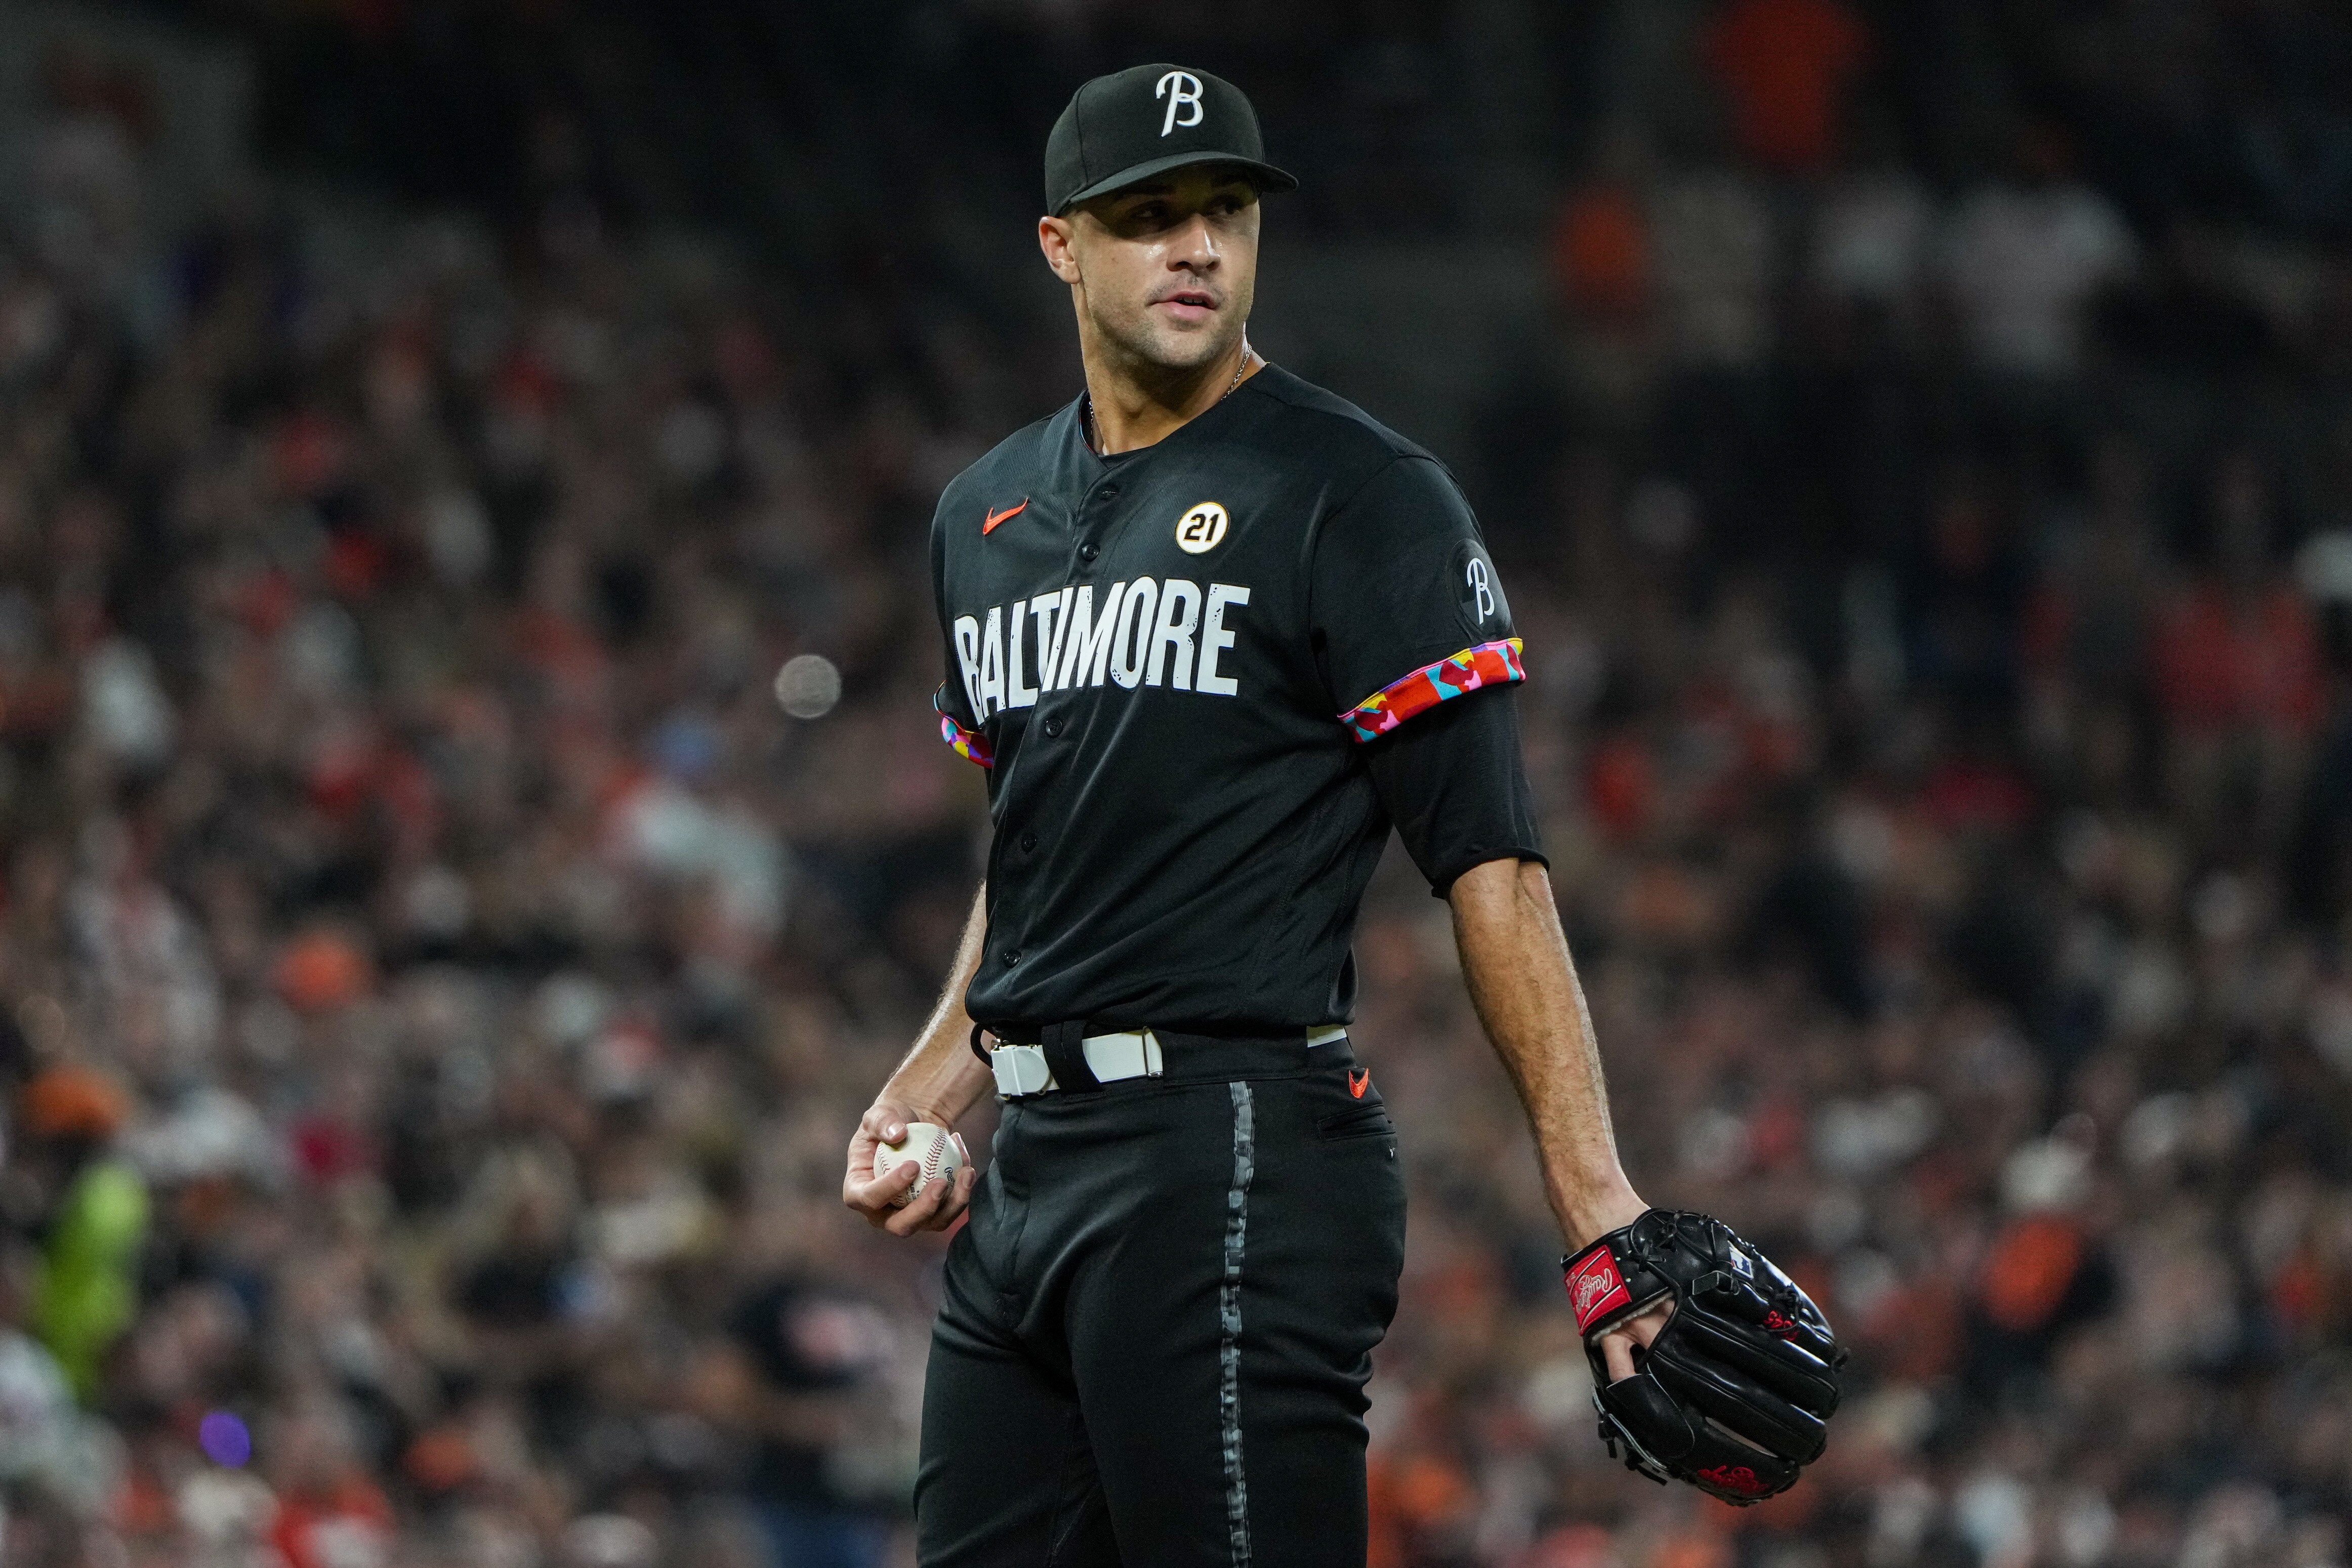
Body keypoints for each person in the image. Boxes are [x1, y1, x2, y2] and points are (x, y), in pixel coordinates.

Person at [842, 64, 1666, 1566]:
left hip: (1231, 1147)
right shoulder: (983, 516)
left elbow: (1492, 863)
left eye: (1222, 208)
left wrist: (1600, 1211)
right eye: (1149, 215)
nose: (1197, 246)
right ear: (1059, 247)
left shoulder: (1362, 496)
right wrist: (923, 1093)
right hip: (1027, 1173)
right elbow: (1038, 856)